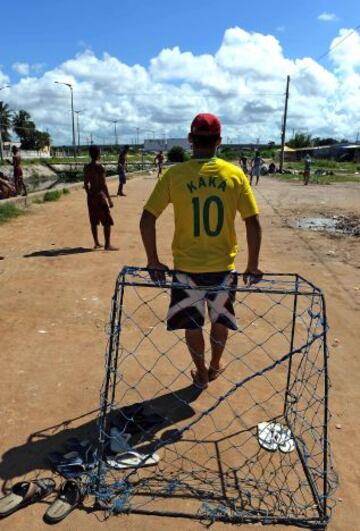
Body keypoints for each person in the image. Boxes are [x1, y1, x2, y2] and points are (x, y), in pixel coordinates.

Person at [140, 113, 262, 389]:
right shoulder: (235, 174)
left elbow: (147, 218)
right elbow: (252, 222)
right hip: (223, 269)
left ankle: (200, 372)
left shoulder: (175, 175)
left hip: (186, 270)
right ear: (219, 141)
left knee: (193, 325)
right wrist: (252, 264)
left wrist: (153, 260)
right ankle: (216, 364)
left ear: (190, 139)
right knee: (219, 321)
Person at [83, 145, 118, 251]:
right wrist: (109, 199)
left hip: (91, 196)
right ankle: (107, 245)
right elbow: (103, 185)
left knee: (93, 221)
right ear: (98, 154)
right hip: (99, 195)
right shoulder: (100, 167)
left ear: (90, 154)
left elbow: (85, 184)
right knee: (107, 221)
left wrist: (89, 194)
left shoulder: (87, 167)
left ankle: (96, 243)